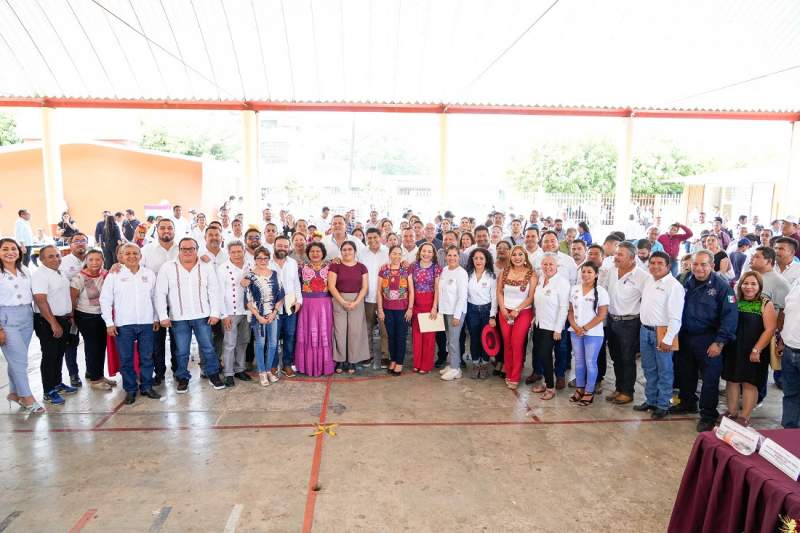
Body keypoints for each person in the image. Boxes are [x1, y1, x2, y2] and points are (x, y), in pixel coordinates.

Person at [671, 250, 738, 432]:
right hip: (685, 336)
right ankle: (687, 402)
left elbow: (730, 317)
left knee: (709, 379)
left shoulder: (722, 287)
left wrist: (719, 342)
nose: (698, 268)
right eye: (695, 264)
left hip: (709, 339)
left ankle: (708, 415)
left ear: (712, 266)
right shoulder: (684, 281)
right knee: (686, 373)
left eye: (703, 264)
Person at [155, 237, 225, 393]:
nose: (187, 252)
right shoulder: (167, 267)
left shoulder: (206, 266)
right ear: (179, 250)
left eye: (191, 249)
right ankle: (182, 377)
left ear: (197, 250)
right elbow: (160, 293)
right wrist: (163, 316)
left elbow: (214, 291)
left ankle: (213, 374)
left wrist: (215, 313)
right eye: (184, 249)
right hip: (178, 318)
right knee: (181, 351)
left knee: (208, 348)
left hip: (203, 316)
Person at [100, 244, 161, 404]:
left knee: (147, 357)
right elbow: (105, 300)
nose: (132, 256)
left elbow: (155, 297)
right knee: (126, 359)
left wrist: (156, 317)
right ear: (121, 256)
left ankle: (147, 386)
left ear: (141, 255)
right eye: (127, 253)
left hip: (147, 322)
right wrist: (109, 323)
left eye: (135, 253)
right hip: (123, 324)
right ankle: (130, 389)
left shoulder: (149, 274)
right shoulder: (114, 274)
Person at [722, 272, 777, 426]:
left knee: (749, 383)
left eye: (753, 284)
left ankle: (744, 417)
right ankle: (732, 412)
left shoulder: (765, 303)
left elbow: (770, 329)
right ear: (740, 285)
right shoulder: (736, 300)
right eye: (746, 283)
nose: (749, 287)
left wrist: (757, 349)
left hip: (754, 350)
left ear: (759, 286)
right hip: (734, 348)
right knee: (732, 380)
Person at [634, 251, 684, 419]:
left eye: (659, 263)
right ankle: (651, 400)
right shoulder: (649, 280)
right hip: (645, 331)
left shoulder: (674, 286)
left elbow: (676, 318)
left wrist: (668, 339)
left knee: (665, 370)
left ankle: (663, 404)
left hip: (663, 332)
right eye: (652, 263)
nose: (655, 266)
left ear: (668, 266)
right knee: (648, 368)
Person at [602, 241, 649, 406]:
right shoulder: (611, 271)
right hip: (612, 320)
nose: (616, 257)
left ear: (632, 258)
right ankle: (619, 387)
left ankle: (628, 391)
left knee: (627, 358)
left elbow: (647, 301)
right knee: (615, 357)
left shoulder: (642, 276)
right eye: (616, 253)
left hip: (630, 323)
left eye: (620, 254)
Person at [0, 238, 44, 413]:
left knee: (17, 359)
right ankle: (27, 397)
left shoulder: (24, 269)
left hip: (26, 316)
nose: (10, 252)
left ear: (19, 251)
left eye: (13, 248)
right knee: (19, 361)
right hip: (6, 319)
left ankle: (14, 393)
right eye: (5, 249)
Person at [32, 245, 78, 404]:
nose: (56, 259)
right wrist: (53, 323)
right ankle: (48, 391)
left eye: (57, 255)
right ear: (41, 259)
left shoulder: (59, 272)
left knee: (59, 354)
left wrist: (69, 316)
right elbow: (40, 300)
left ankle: (57, 383)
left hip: (63, 319)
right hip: (47, 321)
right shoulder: (40, 275)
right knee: (50, 356)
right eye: (50, 256)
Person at [69, 249, 117, 390]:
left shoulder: (106, 274)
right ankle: (95, 380)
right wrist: (71, 318)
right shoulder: (79, 278)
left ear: (103, 260)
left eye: (98, 259)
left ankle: (98, 375)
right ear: (86, 261)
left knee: (101, 346)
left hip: (102, 316)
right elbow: (72, 300)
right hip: (86, 316)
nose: (95, 262)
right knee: (93, 347)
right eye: (91, 260)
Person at [140, 219, 179, 385]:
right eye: (162, 228)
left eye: (170, 228)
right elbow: (135, 269)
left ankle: (178, 370)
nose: (166, 231)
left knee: (178, 340)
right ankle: (159, 372)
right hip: (154, 304)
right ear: (157, 231)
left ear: (174, 230)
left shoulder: (183, 248)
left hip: (178, 303)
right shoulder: (146, 251)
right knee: (157, 341)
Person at [567, 262, 608, 406]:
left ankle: (589, 392)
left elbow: (602, 315)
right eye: (583, 271)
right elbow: (570, 311)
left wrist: (584, 328)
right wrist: (575, 326)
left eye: (589, 272)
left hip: (593, 333)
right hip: (575, 331)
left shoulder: (601, 291)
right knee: (579, 361)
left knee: (590, 362)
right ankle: (580, 389)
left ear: (596, 274)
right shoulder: (574, 289)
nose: (585, 274)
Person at [530, 253, 570, 400]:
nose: (547, 267)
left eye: (551, 264)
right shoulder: (541, 279)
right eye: (545, 264)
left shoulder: (562, 282)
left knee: (546, 356)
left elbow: (564, 307)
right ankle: (547, 383)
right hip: (539, 324)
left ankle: (551, 389)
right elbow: (539, 301)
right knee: (541, 355)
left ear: (556, 265)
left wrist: (558, 329)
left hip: (552, 327)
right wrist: (534, 318)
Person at [496, 245, 536, 390]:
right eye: (514, 255)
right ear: (510, 257)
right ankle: (508, 371)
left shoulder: (531, 274)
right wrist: (502, 309)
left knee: (517, 343)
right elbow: (499, 292)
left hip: (523, 313)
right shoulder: (504, 272)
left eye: (520, 254)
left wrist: (517, 310)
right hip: (505, 312)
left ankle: (515, 376)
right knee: (507, 343)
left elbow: (531, 297)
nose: (517, 257)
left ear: (525, 256)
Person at [245, 247, 285, 386]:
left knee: (273, 344)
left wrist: (274, 313)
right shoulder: (250, 276)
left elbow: (281, 295)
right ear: (255, 259)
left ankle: (268, 371)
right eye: (259, 258)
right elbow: (248, 300)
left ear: (269, 259)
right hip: (258, 316)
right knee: (260, 344)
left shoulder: (274, 274)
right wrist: (258, 316)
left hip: (273, 315)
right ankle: (261, 372)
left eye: (265, 258)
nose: (262, 261)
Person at [328, 241, 370, 373]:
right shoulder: (335, 266)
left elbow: (365, 287)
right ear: (341, 251)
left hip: (357, 300)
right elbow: (331, 286)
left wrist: (356, 302)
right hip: (339, 299)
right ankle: (340, 360)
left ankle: (352, 360)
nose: (347, 252)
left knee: (355, 331)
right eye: (344, 249)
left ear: (355, 251)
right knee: (340, 331)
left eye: (350, 249)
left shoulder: (362, 267)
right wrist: (342, 301)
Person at [295, 242, 335, 376]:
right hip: (306, 304)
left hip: (325, 304)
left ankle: (324, 365)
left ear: (323, 253)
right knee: (307, 333)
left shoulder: (331, 266)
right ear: (308, 253)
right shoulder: (301, 267)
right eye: (312, 251)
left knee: (324, 333)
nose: (315, 253)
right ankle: (307, 365)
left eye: (318, 251)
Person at [217, 240, 252, 387]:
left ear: (244, 251)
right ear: (229, 253)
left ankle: (240, 369)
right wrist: (224, 315)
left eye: (239, 251)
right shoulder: (223, 268)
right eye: (233, 252)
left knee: (243, 341)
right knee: (229, 343)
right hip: (230, 311)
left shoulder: (250, 265)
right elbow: (219, 293)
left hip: (247, 310)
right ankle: (228, 373)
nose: (237, 254)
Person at [376, 245, 414, 376]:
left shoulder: (406, 270)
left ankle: (399, 362)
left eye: (399, 254)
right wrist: (380, 309)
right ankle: (393, 360)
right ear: (389, 255)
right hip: (387, 309)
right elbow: (379, 291)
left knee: (401, 337)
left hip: (402, 310)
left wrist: (410, 309)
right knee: (391, 336)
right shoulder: (383, 270)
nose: (396, 256)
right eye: (394, 253)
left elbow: (411, 291)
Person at [270, 235, 302, 377]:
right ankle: (273, 365)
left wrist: (299, 301)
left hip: (290, 302)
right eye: (279, 246)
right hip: (272, 304)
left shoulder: (292, 262)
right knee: (273, 336)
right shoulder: (267, 262)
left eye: (285, 246)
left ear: (289, 248)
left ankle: (287, 364)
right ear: (274, 246)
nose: (282, 248)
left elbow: (296, 283)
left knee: (290, 335)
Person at [359, 228, 390, 369]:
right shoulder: (361, 253)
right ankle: (368, 355)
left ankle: (385, 356)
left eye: (375, 237)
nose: (372, 240)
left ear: (380, 237)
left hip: (384, 297)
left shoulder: (387, 252)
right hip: (366, 297)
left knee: (384, 329)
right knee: (367, 328)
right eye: (369, 237)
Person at [409, 243, 442, 374]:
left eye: (429, 251)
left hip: (429, 303)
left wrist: (434, 307)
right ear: (420, 252)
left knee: (429, 336)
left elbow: (437, 289)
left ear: (433, 254)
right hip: (416, 303)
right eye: (424, 251)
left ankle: (426, 365)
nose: (426, 254)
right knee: (416, 335)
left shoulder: (436, 268)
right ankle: (417, 363)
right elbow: (411, 287)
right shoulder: (413, 266)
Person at [465, 248, 497, 380]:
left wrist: (492, 316)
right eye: (476, 258)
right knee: (474, 338)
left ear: (486, 260)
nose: (478, 261)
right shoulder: (468, 275)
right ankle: (475, 364)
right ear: (472, 260)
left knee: (486, 339)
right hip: (471, 310)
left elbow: (494, 298)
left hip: (486, 310)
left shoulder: (491, 276)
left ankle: (484, 364)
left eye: (481, 258)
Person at [438, 246, 469, 381]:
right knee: (449, 340)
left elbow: (462, 296)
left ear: (459, 257)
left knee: (454, 341)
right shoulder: (445, 270)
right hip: (445, 310)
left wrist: (457, 316)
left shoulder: (462, 273)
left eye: (455, 255)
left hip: (456, 312)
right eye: (449, 255)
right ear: (446, 257)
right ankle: (452, 364)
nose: (452, 258)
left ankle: (456, 369)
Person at [782, 282, 800, 428]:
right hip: (789, 350)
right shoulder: (797, 283)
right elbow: (787, 312)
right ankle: (789, 431)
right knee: (790, 394)